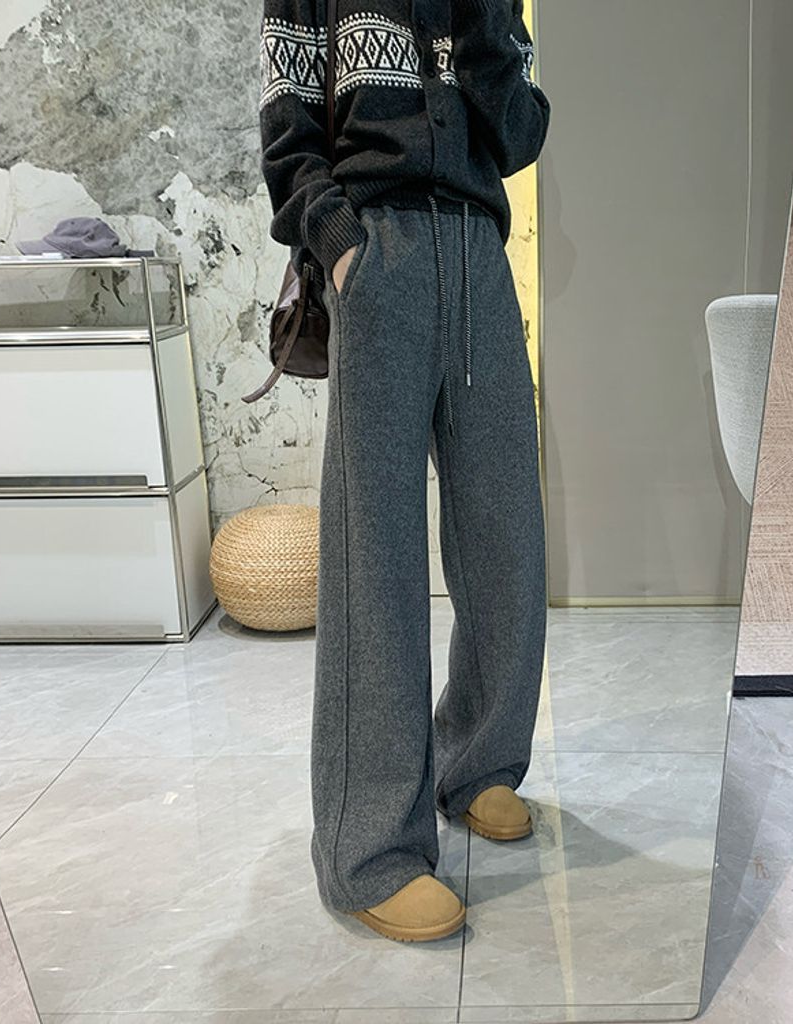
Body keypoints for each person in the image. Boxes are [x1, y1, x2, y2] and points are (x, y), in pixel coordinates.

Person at [259, 0, 551, 942]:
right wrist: (341, 246)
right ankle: (370, 848)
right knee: (374, 557)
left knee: (507, 535)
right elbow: (288, 127)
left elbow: (520, 134)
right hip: (378, 252)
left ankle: (480, 760)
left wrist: (486, 26)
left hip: (480, 254)